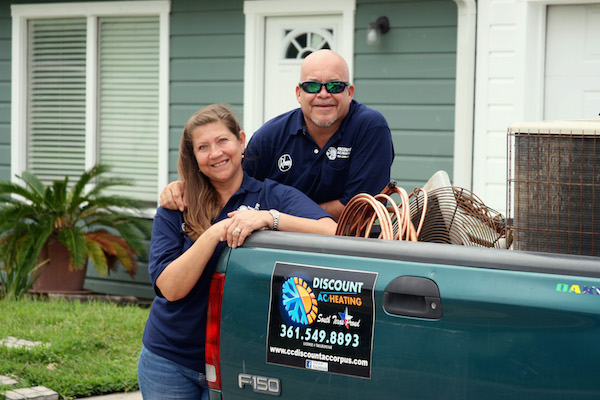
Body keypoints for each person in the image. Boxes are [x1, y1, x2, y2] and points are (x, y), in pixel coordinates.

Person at [137, 104, 336, 400]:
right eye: (203, 147)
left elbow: (331, 231)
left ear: (241, 141)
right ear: (194, 158)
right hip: (169, 360)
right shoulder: (177, 206)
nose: (215, 153)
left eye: (222, 141)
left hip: (238, 362)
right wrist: (215, 232)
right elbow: (170, 288)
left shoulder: (271, 196)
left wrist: (271, 218)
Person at [160, 49, 394, 220]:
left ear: (349, 92)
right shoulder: (270, 136)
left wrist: (280, 218)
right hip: (275, 248)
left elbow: (360, 208)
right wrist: (185, 186)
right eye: (312, 86)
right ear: (298, 93)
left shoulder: (370, 127)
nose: (323, 94)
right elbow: (234, 184)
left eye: (334, 86)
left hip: (348, 246)